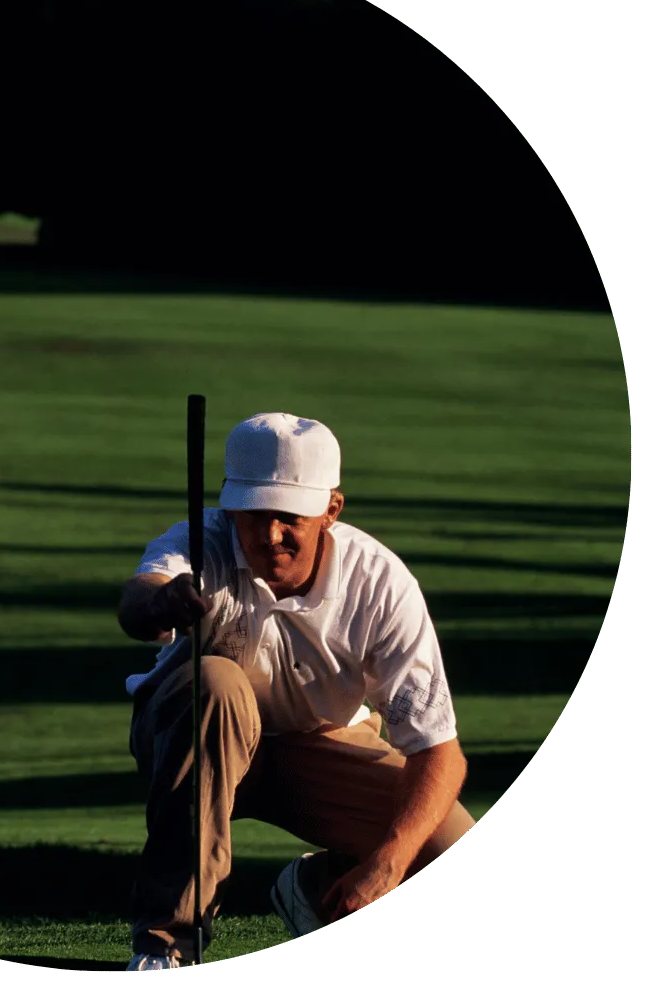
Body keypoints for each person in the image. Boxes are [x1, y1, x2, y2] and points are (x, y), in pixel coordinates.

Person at [119, 412, 477, 971]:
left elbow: (438, 752)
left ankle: (314, 889)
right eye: (254, 514)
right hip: (193, 735)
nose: (269, 536)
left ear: (331, 509)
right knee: (216, 683)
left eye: (289, 517)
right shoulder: (200, 542)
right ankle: (168, 944)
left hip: (320, 743)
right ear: (230, 508)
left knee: (451, 848)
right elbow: (139, 600)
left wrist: (386, 864)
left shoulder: (380, 583)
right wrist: (162, 602)